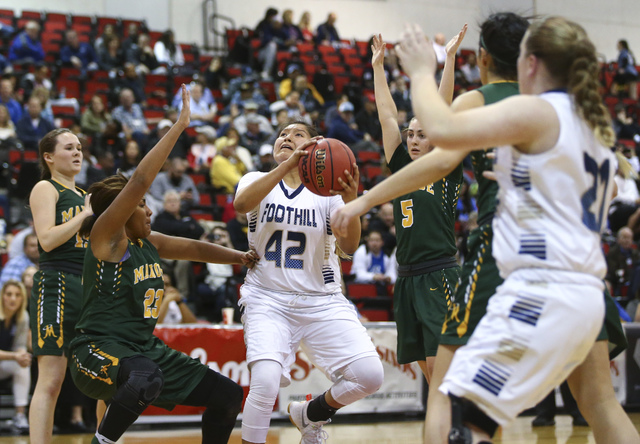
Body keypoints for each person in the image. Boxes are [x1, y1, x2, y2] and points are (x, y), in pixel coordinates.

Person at [333, 14, 639, 444]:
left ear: (525, 63)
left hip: (534, 290)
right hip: (588, 292)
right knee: (602, 406)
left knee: (458, 407)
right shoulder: (590, 127)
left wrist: (422, 70)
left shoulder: (533, 110)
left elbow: (441, 138)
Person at [68, 85, 257, 444]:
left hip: (142, 352)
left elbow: (194, 250)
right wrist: (179, 125)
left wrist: (239, 257)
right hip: (95, 348)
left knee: (228, 396)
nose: (150, 210)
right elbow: (140, 179)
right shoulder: (107, 237)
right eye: (142, 206)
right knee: (143, 377)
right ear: (122, 210)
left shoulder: (146, 242)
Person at [234, 120, 383, 444]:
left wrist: (352, 199)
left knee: (370, 376)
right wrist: (288, 164)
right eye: (282, 135)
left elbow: (349, 247)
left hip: (322, 299)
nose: (287, 137)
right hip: (267, 297)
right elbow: (240, 206)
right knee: (265, 380)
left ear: (315, 146)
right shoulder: (256, 179)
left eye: (297, 134)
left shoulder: (328, 195)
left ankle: (310, 414)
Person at [370, 29, 465, 382]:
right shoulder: (400, 167)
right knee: (430, 375)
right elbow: (386, 115)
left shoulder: (444, 165)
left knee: (443, 377)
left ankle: (460, 432)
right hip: (407, 278)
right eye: (410, 134)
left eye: (421, 134)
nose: (412, 139)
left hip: (439, 273)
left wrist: (450, 59)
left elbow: (438, 110)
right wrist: (378, 68)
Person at [28, 128, 94, 444]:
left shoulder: (86, 196)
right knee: (51, 380)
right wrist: (85, 215)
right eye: (69, 147)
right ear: (49, 156)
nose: (77, 152)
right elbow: (47, 239)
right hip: (56, 284)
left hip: (89, 286)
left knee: (104, 378)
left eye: (79, 147)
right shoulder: (46, 187)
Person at [0, 280, 32, 434]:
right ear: (2, 297)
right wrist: (15, 355)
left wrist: (23, 355)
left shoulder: (23, 317)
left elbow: (20, 345)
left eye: (17, 295)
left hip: (4, 364)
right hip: (4, 359)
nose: (13, 299)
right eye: (9, 294)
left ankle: (20, 415)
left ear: (22, 298)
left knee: (23, 365)